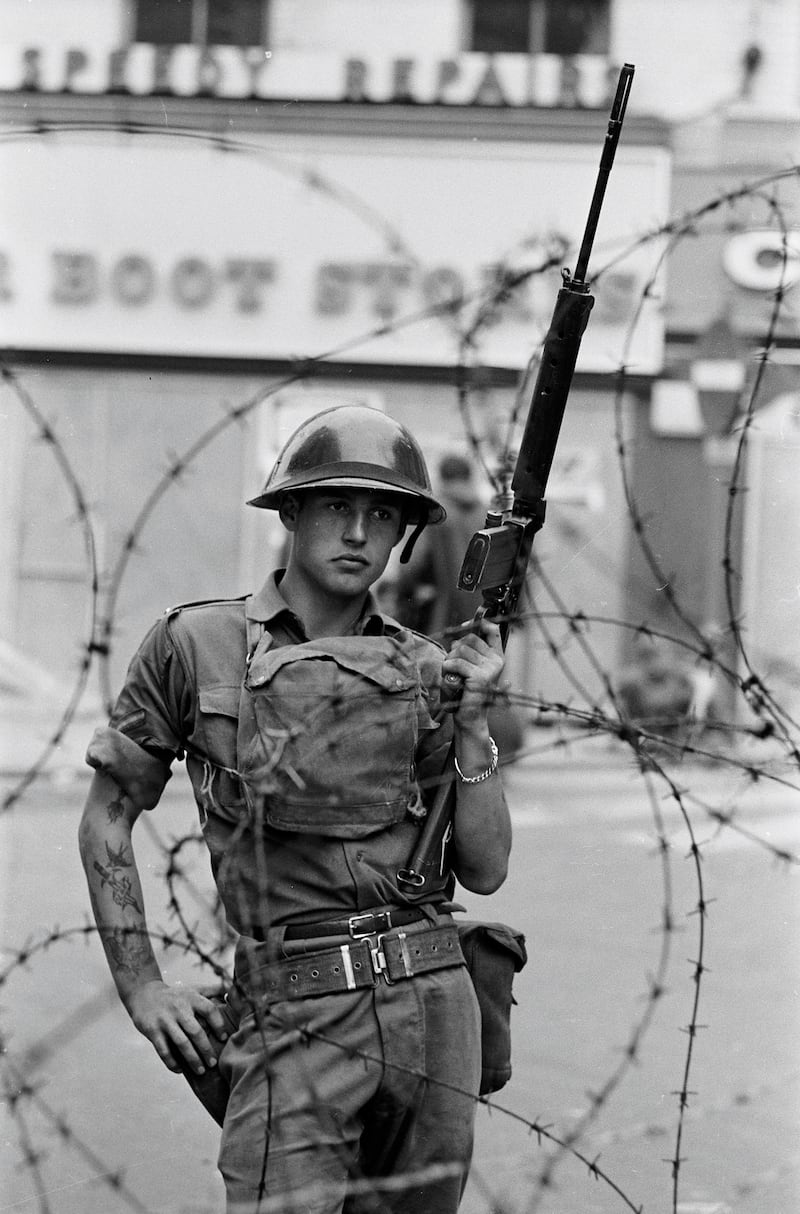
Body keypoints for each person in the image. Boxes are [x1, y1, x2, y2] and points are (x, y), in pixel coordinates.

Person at [78, 405, 512, 1214]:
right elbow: (107, 815)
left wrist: (475, 727)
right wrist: (143, 990)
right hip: (298, 1006)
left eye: (382, 514)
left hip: (432, 1005)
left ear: (404, 535)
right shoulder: (194, 644)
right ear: (290, 511)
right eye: (337, 506)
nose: (358, 533)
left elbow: (484, 870)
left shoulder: (427, 670)